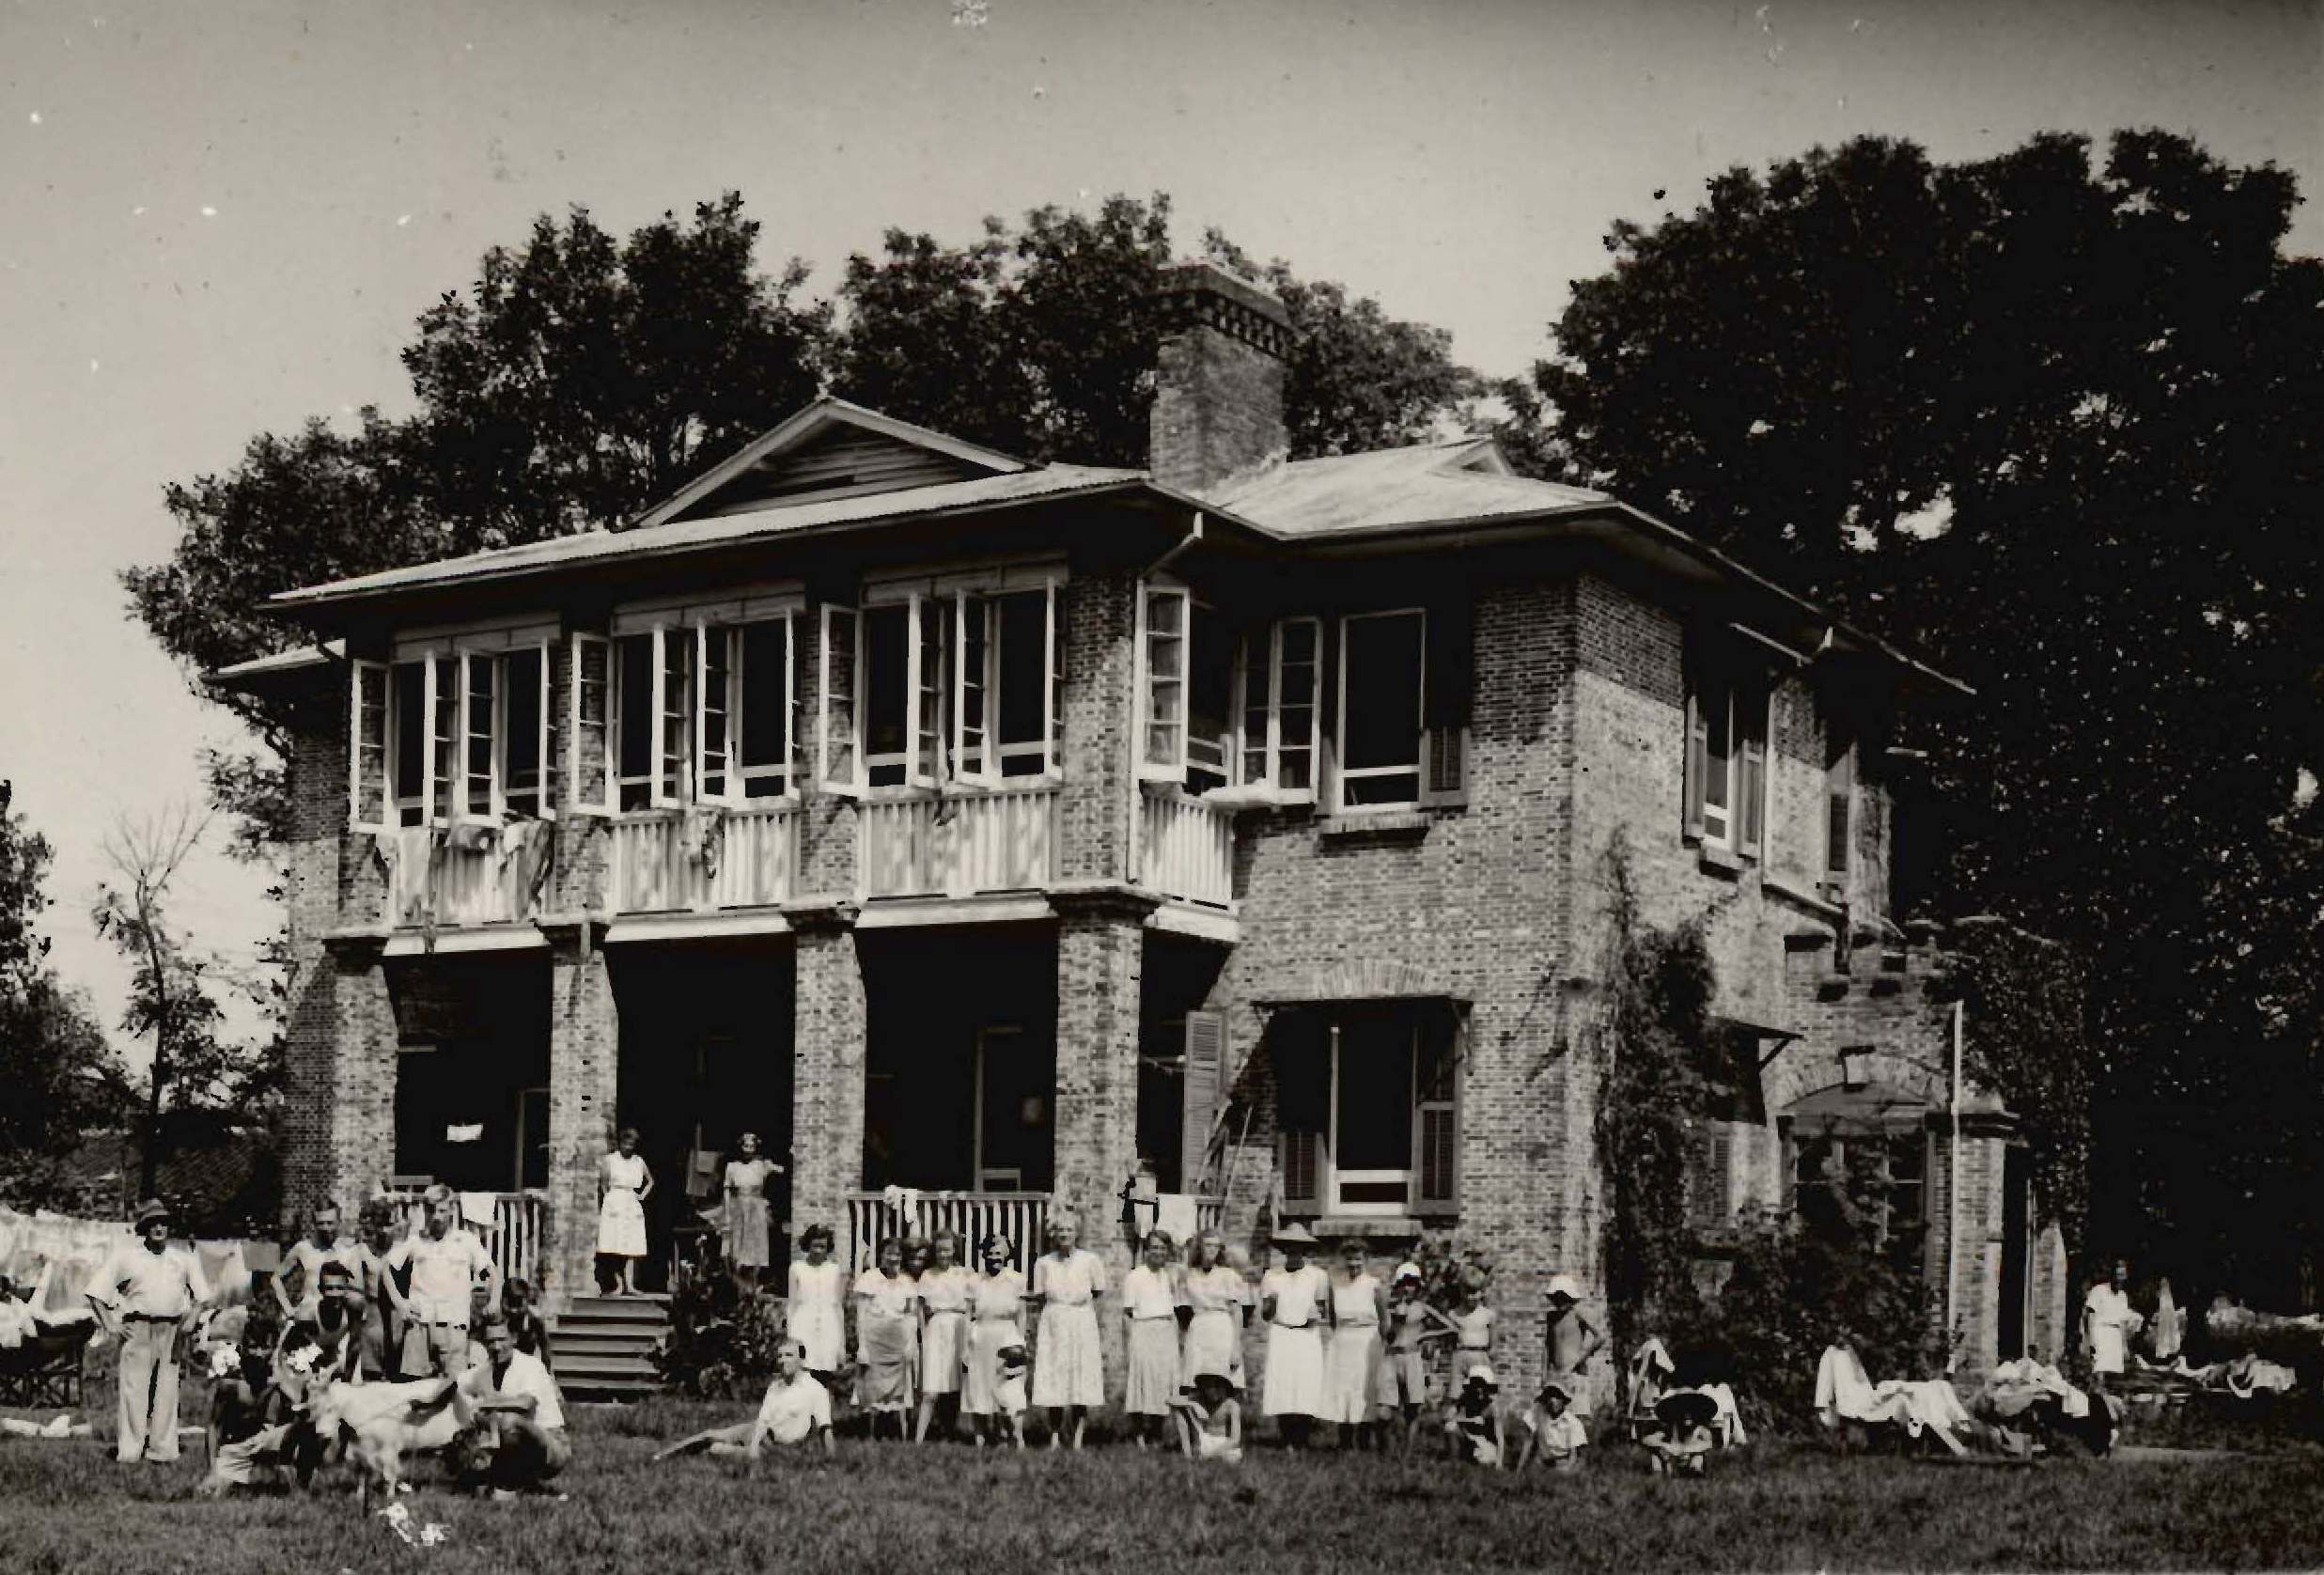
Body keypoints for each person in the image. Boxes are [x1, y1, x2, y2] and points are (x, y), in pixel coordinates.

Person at [87, 1197, 206, 1464]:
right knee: (134, 1390)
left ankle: (163, 1450)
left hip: (172, 1330)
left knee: (166, 1390)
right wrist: (110, 1324)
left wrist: (191, 1319)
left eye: (163, 1223)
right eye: (153, 1223)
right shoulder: (127, 1257)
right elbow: (95, 1293)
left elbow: (203, 1296)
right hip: (138, 1328)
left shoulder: (183, 1258)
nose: (159, 1228)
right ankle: (130, 1450)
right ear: (144, 1227)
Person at [654, 1337, 834, 1463]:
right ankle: (661, 1456)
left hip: (781, 1449)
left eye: (789, 1355)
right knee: (709, 1434)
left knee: (716, 1449)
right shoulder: (775, 1387)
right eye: (779, 1356)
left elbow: (825, 1429)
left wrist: (830, 1462)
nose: (782, 1361)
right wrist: (754, 1446)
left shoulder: (815, 1390)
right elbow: (762, 1422)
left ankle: (705, 1454)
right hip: (759, 1432)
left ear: (802, 1360)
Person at [384, 1184, 497, 1378]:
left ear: (452, 1210)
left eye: (442, 1210)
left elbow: (490, 1271)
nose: (436, 1216)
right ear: (425, 1210)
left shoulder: (466, 1241)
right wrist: (400, 1303)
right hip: (420, 1323)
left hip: (454, 1324)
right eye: (431, 1210)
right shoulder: (415, 1240)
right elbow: (387, 1266)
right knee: (416, 1388)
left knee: (455, 1385)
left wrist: (493, 1298)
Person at [458, 1316, 570, 1497]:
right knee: (480, 1489)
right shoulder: (483, 1372)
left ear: (514, 1339)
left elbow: (525, 1403)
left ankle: (520, 1482)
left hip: (551, 1444)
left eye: (501, 1339)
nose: (496, 1347)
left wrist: (483, 1404)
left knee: (509, 1420)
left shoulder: (530, 1365)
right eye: (490, 1341)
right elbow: (455, 1384)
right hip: (507, 1444)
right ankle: (528, 1486)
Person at [1029, 1216, 1106, 1450]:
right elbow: (1040, 1294)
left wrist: (1077, 1307)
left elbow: (1098, 1290)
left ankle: (1078, 1439)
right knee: (1055, 1379)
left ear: (1077, 1233)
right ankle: (1054, 1437)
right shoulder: (1043, 1263)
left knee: (1079, 1380)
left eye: (1069, 1229)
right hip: (1054, 1323)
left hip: (1081, 1321)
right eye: (1060, 1229)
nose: (1064, 1234)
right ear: (1053, 1234)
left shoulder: (1090, 1260)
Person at [1258, 1224, 1330, 1449]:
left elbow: (1322, 1309)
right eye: (1290, 1247)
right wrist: (1271, 1304)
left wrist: (1315, 1314)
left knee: (1306, 1384)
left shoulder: (1317, 1276)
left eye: (1299, 1247)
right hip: (1282, 1333)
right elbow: (1266, 1314)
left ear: (1305, 1250)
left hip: (1306, 1335)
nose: (1294, 1251)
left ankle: (1303, 1438)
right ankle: (1286, 1438)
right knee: (1283, 1385)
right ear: (1284, 1249)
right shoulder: (1272, 1275)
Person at [1378, 1261, 1458, 1454]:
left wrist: (1425, 1336)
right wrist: (1396, 1319)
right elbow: (1386, 1335)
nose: (1408, 1287)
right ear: (1398, 1284)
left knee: (1412, 1409)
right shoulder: (1389, 1306)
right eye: (1404, 1283)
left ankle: (1407, 1453)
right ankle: (1385, 1452)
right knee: (1384, 1412)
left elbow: (1450, 1327)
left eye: (1412, 1283)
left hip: (1413, 1357)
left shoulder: (1421, 1307)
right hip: (1391, 1357)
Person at [961, 1234, 1028, 1448]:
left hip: (1007, 1337)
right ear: (983, 1255)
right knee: (979, 1386)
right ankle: (980, 1436)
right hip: (980, 1335)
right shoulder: (975, 1281)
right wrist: (965, 1344)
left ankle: (1005, 1435)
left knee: (1006, 1388)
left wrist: (1021, 1341)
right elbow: (968, 1314)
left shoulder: (1016, 1280)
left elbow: (1022, 1315)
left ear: (1006, 1255)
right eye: (990, 1253)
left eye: (999, 1253)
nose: (994, 1257)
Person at [1120, 1229, 1185, 1447]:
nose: (1158, 1252)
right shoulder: (1135, 1276)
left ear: (1168, 1251)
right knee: (1141, 1382)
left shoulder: (1171, 1276)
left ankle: (1156, 1434)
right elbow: (1127, 1314)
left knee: (1163, 1383)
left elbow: (1177, 1309)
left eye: (1162, 1248)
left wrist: (1176, 1338)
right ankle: (1139, 1435)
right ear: (1146, 1251)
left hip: (1165, 1331)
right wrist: (1129, 1343)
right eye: (1154, 1247)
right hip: (1143, 1329)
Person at [853, 1236, 919, 1439]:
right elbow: (861, 1315)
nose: (893, 1258)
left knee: (897, 1389)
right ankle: (869, 1433)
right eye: (889, 1253)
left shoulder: (907, 1282)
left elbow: (911, 1316)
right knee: (872, 1387)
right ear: (881, 1255)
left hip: (898, 1341)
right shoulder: (869, 1279)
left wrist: (910, 1345)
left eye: (897, 1254)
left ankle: (894, 1433)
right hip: (874, 1340)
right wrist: (862, 1346)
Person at [1323, 1238, 1384, 1450]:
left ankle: (1364, 1440)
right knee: (1343, 1389)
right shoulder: (1336, 1284)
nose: (1353, 1264)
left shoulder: (1373, 1285)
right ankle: (1345, 1440)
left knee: (1364, 1390)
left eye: (1358, 1259)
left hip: (1368, 1343)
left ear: (1365, 1260)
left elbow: (1384, 1319)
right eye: (1349, 1259)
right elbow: (1332, 1317)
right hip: (1343, 1342)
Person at [913, 1228, 973, 1442]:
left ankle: (950, 1433)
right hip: (935, 1329)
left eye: (948, 1250)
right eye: (939, 1250)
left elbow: (970, 1308)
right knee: (931, 1389)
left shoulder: (965, 1274)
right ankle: (918, 1439)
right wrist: (921, 1336)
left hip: (958, 1328)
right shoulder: (928, 1275)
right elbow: (920, 1309)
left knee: (954, 1386)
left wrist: (968, 1339)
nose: (943, 1254)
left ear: (954, 1250)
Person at [274, 1200, 364, 1331]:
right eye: (320, 1223)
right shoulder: (303, 1248)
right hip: (308, 1320)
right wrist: (287, 1308)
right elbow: (275, 1277)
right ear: (314, 1224)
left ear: (339, 1222)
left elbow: (359, 1293)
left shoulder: (350, 1251)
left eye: (330, 1223)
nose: (325, 1228)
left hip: (340, 1323)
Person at [1180, 1228, 1250, 1390]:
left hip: (1222, 1330)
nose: (1212, 1249)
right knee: (1195, 1385)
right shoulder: (1190, 1276)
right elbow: (1183, 1310)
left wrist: (1236, 1347)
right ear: (1200, 1247)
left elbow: (1237, 1311)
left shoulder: (1229, 1275)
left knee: (1223, 1383)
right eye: (1208, 1245)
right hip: (1198, 1331)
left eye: (1216, 1246)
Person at [786, 1224, 847, 1389]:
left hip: (828, 1326)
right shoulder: (797, 1268)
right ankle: (803, 1414)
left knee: (824, 1375)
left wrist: (842, 1343)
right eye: (815, 1246)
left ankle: (821, 1413)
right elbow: (792, 1303)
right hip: (803, 1325)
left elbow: (838, 1306)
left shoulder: (835, 1270)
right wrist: (790, 1336)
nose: (819, 1251)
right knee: (803, 1374)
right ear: (807, 1245)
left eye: (823, 1247)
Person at [1540, 1272, 1605, 1421]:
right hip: (1556, 1374)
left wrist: (1581, 1359)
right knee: (1554, 1416)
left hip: (1575, 1373)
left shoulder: (1578, 1314)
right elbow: (1547, 1346)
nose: (1560, 1302)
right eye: (1557, 1298)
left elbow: (1600, 1337)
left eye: (1563, 1297)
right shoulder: (1551, 1317)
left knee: (1576, 1415)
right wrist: (1543, 1374)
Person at [598, 1127, 654, 1297]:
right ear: (620, 1143)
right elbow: (603, 1183)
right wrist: (610, 1200)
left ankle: (630, 1284)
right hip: (615, 1202)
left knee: (631, 1246)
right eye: (626, 1144)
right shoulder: (610, 1160)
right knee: (614, 1244)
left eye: (632, 1144)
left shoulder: (638, 1161)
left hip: (631, 1203)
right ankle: (618, 1284)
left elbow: (650, 1181)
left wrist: (641, 1196)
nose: (628, 1147)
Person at [722, 1132, 781, 1291]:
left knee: (756, 1244)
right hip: (739, 1207)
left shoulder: (761, 1165)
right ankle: (739, 1284)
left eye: (751, 1146)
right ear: (740, 1147)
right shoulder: (732, 1167)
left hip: (756, 1207)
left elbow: (782, 1171)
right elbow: (727, 1190)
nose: (748, 1150)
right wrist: (727, 1212)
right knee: (738, 1245)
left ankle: (754, 1282)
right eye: (745, 1146)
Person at [356, 1198, 406, 1380]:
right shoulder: (364, 1253)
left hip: (397, 1322)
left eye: (389, 1225)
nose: (385, 1230)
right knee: (371, 1381)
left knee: (397, 1382)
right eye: (381, 1225)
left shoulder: (403, 1252)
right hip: (373, 1321)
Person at [2082, 1258, 2140, 1389]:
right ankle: (2097, 1400)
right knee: (2099, 1371)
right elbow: (2090, 1315)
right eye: (2117, 1275)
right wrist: (2091, 1340)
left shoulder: (2122, 1296)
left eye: (2122, 1276)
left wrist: (2124, 1345)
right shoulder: (2098, 1291)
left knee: (2113, 1375)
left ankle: (2108, 1403)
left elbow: (2123, 1322)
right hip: (2101, 1333)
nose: (2119, 1279)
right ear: (2112, 1275)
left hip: (2115, 1336)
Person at [1513, 1377, 1589, 1473]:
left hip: (1564, 1460)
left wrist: (1566, 1470)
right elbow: (1528, 1442)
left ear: (1563, 1400)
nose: (1553, 1400)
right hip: (1543, 1460)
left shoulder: (1573, 1423)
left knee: (1563, 1476)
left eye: (1557, 1397)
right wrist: (1519, 1469)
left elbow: (1574, 1456)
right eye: (1550, 1396)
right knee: (1532, 1475)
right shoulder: (1538, 1413)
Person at [1170, 1371, 1244, 1462]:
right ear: (1203, 1388)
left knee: (1232, 1458)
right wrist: (1193, 1405)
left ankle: (1204, 1457)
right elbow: (1170, 1400)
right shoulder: (1199, 1400)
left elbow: (1235, 1440)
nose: (1214, 1390)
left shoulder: (1232, 1405)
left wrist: (1212, 1454)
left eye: (1219, 1386)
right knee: (1180, 1412)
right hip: (1203, 1441)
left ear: (1225, 1388)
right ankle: (1188, 1456)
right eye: (1209, 1386)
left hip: (1224, 1444)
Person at [1443, 1364, 1506, 1468]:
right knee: (1450, 1426)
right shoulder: (1465, 1398)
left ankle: (1471, 1458)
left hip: (1484, 1441)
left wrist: (1499, 1463)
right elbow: (1447, 1416)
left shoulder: (1493, 1406)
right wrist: (1468, 1420)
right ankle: (1454, 1462)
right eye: (1476, 1384)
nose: (1479, 1389)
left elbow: (1500, 1437)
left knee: (1484, 1460)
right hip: (1468, 1437)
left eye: (1482, 1385)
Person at [1449, 1272, 1495, 1387]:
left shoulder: (1488, 1315)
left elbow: (1493, 1344)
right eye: (1467, 1292)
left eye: (1474, 1292)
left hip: (1480, 1355)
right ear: (1461, 1292)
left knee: (1479, 1394)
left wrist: (1487, 1358)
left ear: (1482, 1292)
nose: (1470, 1297)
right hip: (1460, 1356)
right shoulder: (1454, 1314)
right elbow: (1450, 1341)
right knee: (1456, 1395)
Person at [500, 1276, 554, 1375]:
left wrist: (546, 1372)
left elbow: (545, 1347)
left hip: (525, 1370)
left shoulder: (534, 1320)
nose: (514, 1308)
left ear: (526, 1299)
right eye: (511, 1301)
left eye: (518, 1300)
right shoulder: (497, 1319)